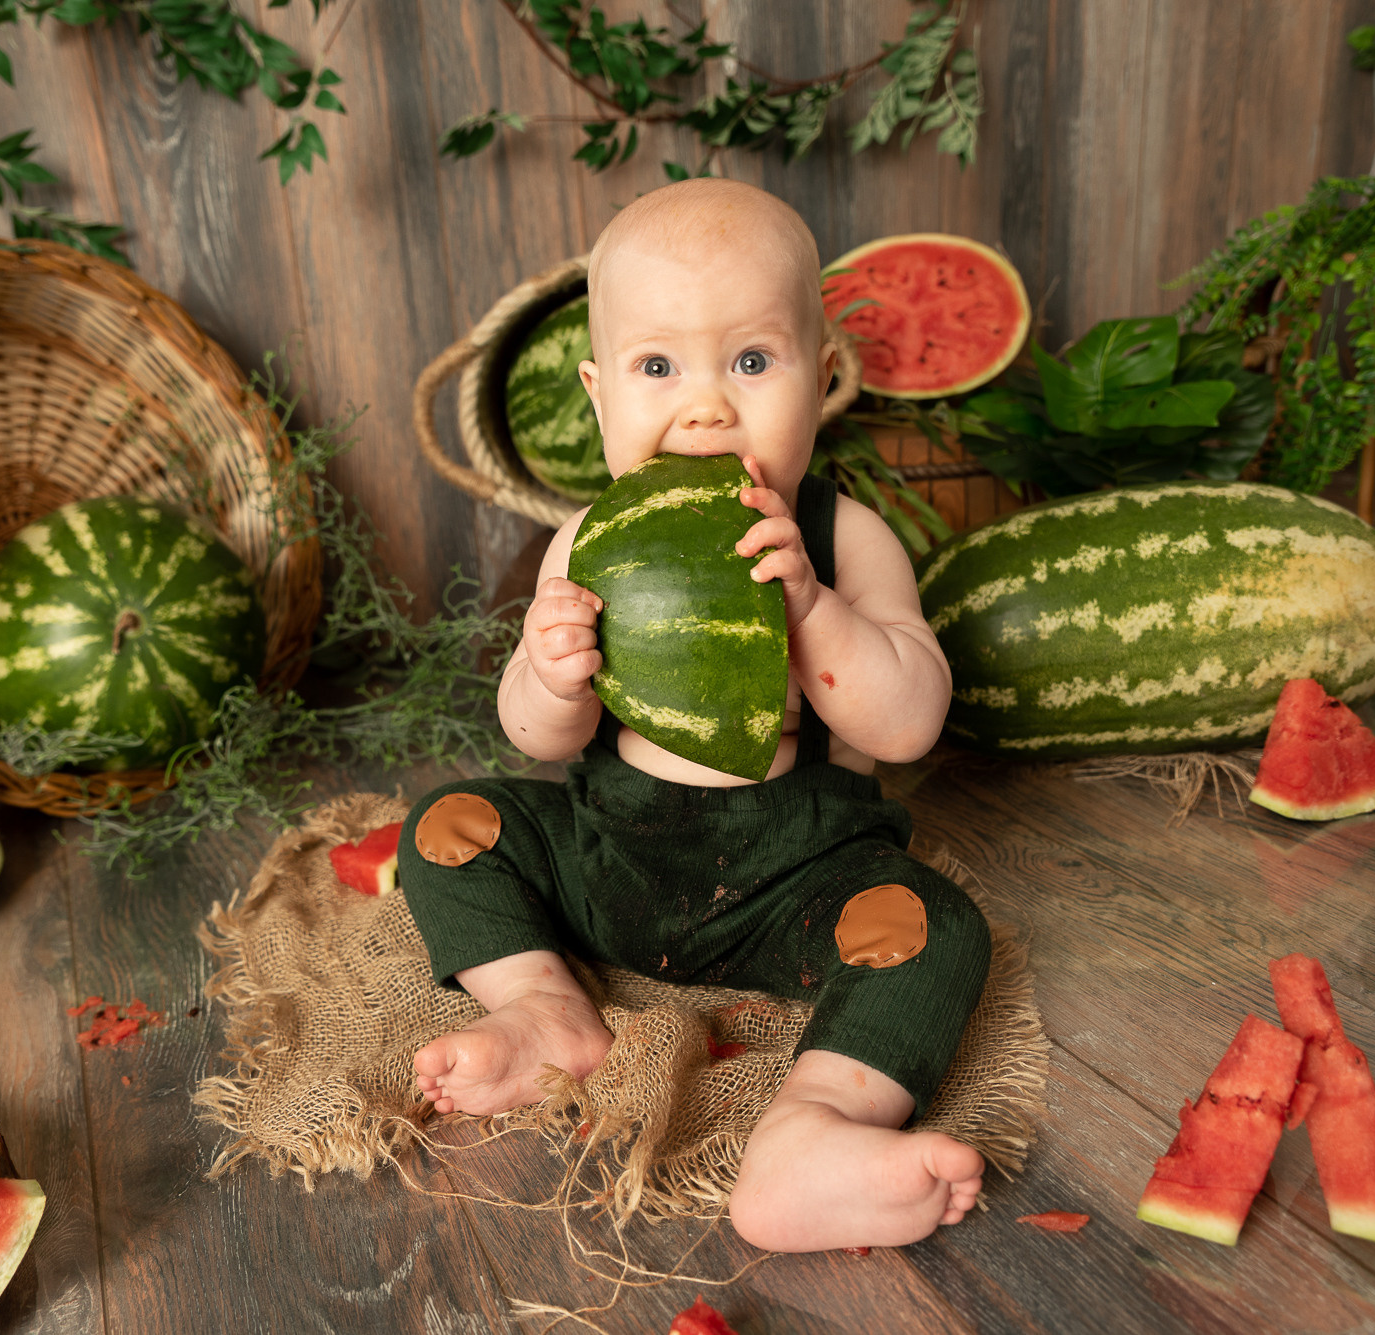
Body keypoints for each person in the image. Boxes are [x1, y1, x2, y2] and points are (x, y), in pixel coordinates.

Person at [397, 178, 991, 1252]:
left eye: (752, 363)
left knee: (938, 928)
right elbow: (537, 740)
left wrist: (811, 606)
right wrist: (548, 673)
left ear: (820, 379)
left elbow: (906, 724)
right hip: (608, 863)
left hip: (793, 886)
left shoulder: (841, 536)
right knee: (448, 826)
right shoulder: (586, 539)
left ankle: (811, 1130)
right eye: (656, 367)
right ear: (597, 391)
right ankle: (542, 1007)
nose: (706, 406)